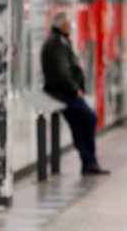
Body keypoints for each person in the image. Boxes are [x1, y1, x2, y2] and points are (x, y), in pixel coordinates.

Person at [40, 11, 109, 175]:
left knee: (79, 125)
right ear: (62, 25)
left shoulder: (61, 41)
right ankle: (89, 160)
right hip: (64, 92)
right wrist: (74, 88)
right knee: (90, 118)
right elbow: (61, 70)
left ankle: (89, 162)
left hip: (65, 91)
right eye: (69, 24)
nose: (71, 27)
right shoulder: (55, 43)